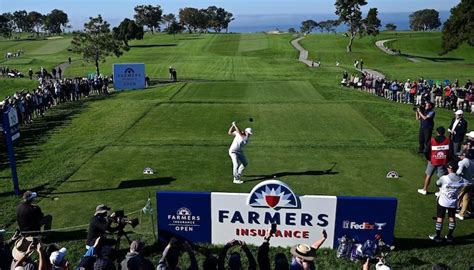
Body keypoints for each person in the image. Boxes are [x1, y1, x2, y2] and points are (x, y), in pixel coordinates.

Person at [429, 162, 468, 243]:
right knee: (452, 218)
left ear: (450, 169)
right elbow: (468, 184)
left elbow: (437, 184)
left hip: (442, 201)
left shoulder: (444, 178)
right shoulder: (462, 180)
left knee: (440, 218)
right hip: (453, 202)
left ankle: (438, 236)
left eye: (448, 167)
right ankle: (450, 236)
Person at [418, 127, 450, 195]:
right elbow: (451, 152)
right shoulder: (448, 140)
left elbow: (426, 151)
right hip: (443, 160)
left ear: (437, 132)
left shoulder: (432, 140)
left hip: (433, 160)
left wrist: (428, 158)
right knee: (441, 176)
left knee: (428, 175)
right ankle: (441, 191)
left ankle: (425, 189)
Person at [456, 149, 474, 220]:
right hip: (471, 183)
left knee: (458, 196)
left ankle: (454, 209)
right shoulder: (473, 162)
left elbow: (458, 172)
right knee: (466, 198)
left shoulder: (462, 162)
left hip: (463, 183)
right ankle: (461, 214)